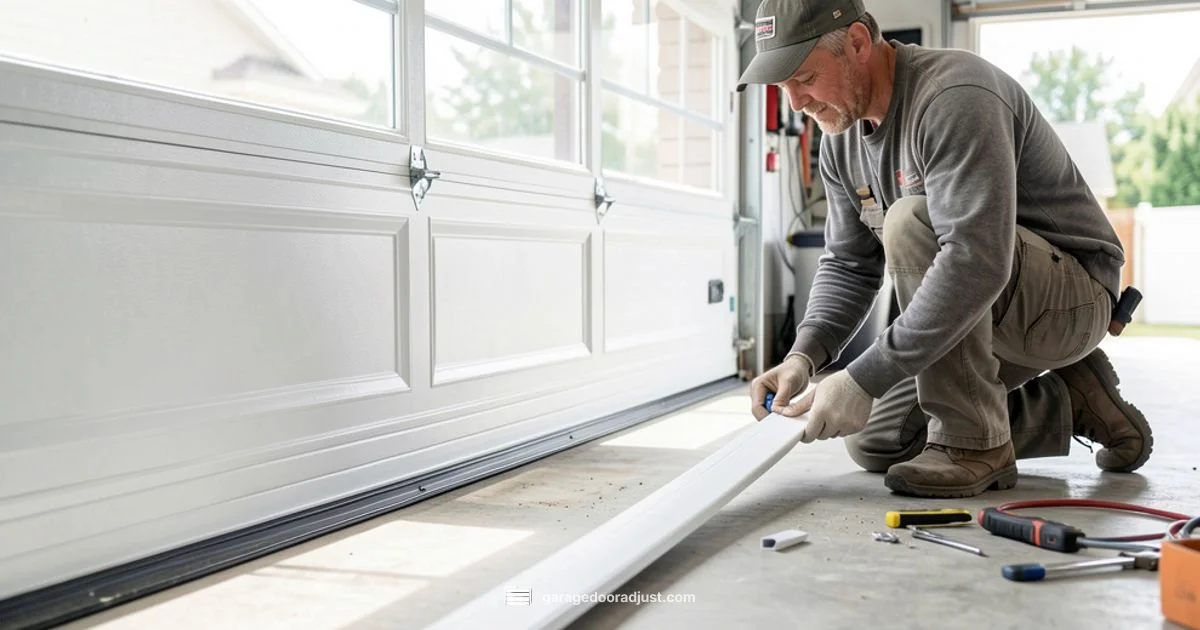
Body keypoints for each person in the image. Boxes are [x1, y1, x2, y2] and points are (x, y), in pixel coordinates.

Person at [740, 0, 1153, 498]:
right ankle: (1071, 400)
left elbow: (974, 261)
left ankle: (976, 444)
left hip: (1071, 300)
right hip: (989, 310)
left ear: (856, 42)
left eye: (804, 77)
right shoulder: (840, 140)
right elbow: (849, 265)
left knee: (912, 219)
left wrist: (863, 376)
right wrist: (803, 357)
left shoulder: (954, 95)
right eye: (781, 88)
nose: (796, 104)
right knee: (878, 440)